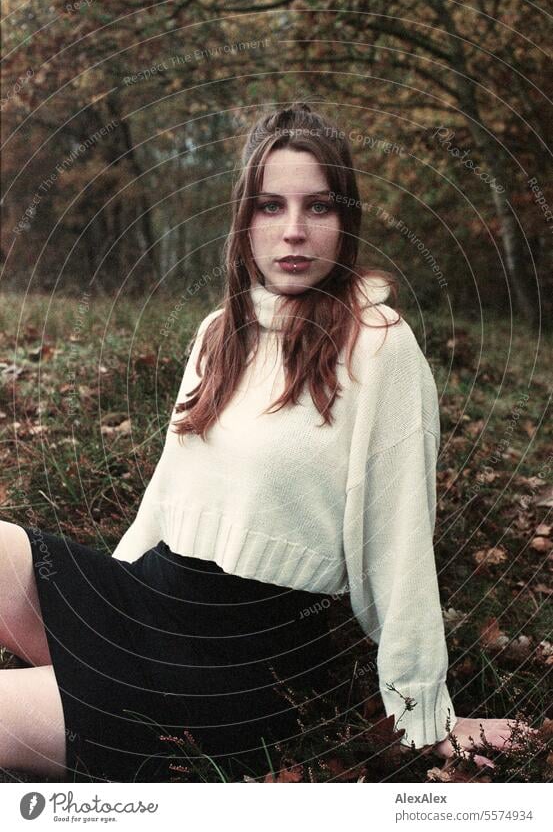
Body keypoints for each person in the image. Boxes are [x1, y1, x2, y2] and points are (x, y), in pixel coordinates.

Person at [0, 103, 534, 783]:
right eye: (268, 206)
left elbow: (399, 548)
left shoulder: (380, 346)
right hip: (151, 597)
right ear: (243, 220)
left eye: (316, 206)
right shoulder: (219, 331)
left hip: (232, 667)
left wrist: (421, 714)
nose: (292, 231)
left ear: (345, 219)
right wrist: (93, 624)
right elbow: (164, 497)